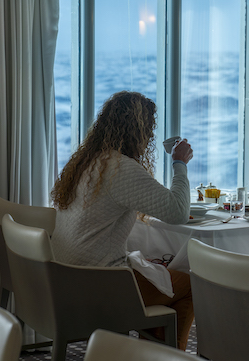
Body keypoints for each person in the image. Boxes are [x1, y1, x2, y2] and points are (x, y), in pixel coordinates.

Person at [50, 90, 194, 350]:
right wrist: (179, 163)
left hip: (69, 279)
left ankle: (148, 354)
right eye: (149, 129)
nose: (150, 136)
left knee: (162, 274)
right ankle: (166, 357)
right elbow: (178, 212)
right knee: (191, 285)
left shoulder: (88, 161)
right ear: (138, 132)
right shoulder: (120, 168)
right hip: (103, 287)